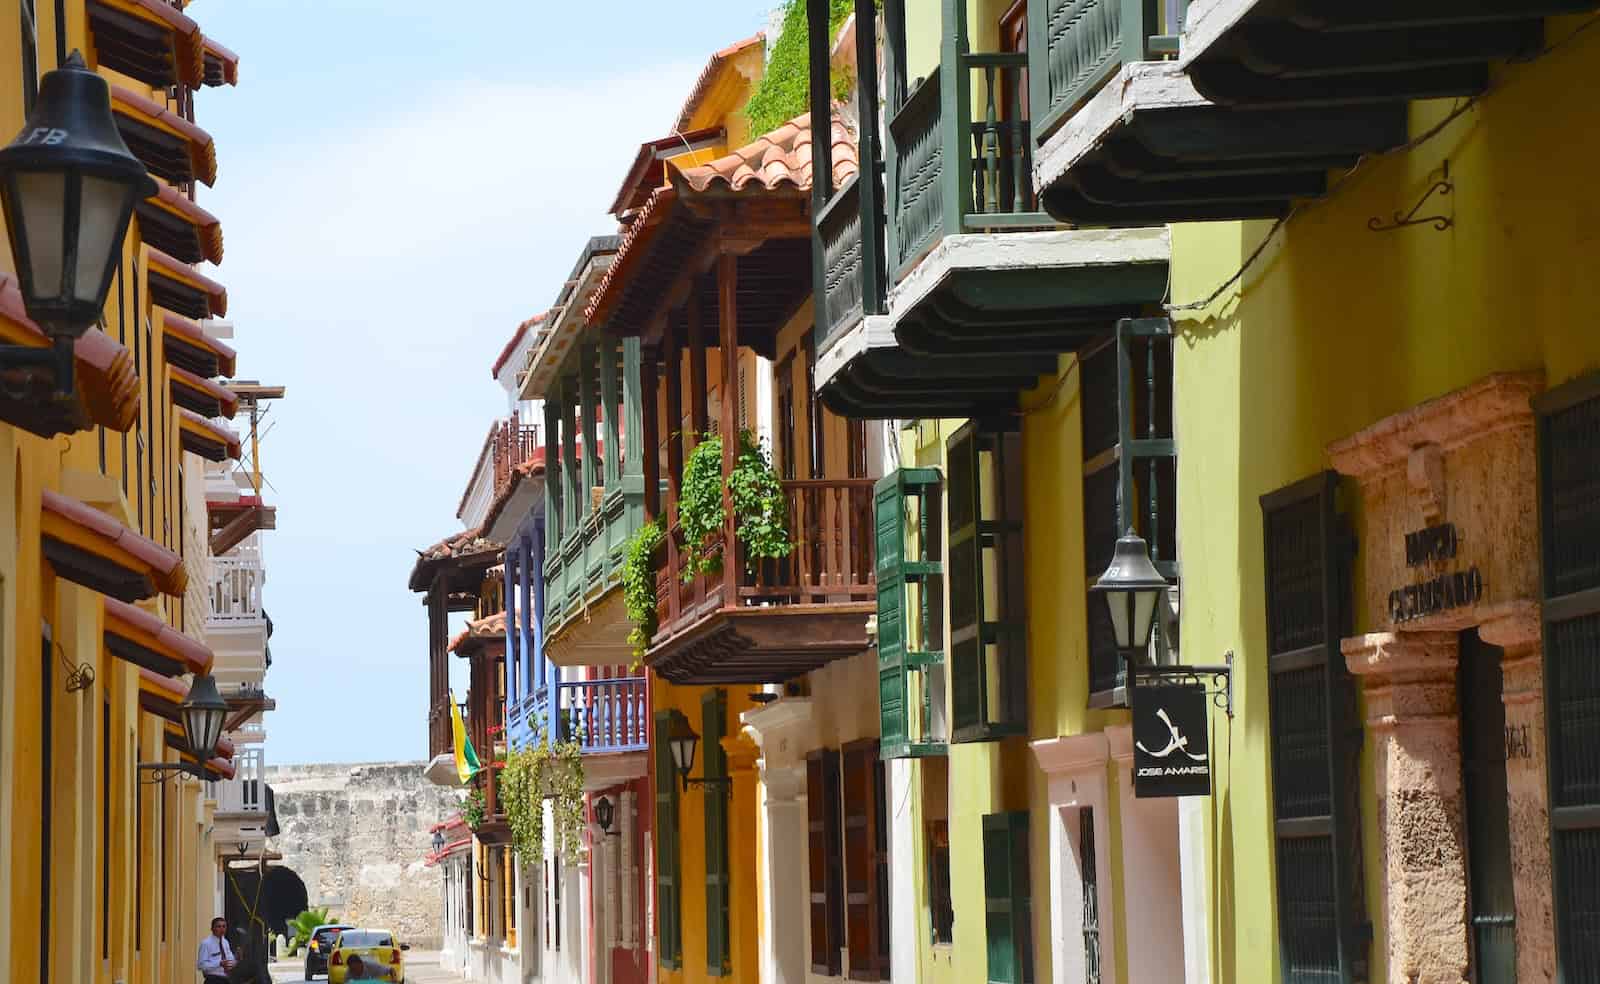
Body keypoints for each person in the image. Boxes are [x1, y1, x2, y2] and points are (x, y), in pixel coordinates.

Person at [197, 917, 237, 984]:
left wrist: (236, 958)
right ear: (212, 929)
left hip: (226, 979)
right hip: (213, 980)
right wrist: (219, 963)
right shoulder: (206, 943)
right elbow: (201, 965)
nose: (222, 929)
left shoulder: (225, 942)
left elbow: (230, 961)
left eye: (224, 926)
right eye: (219, 926)